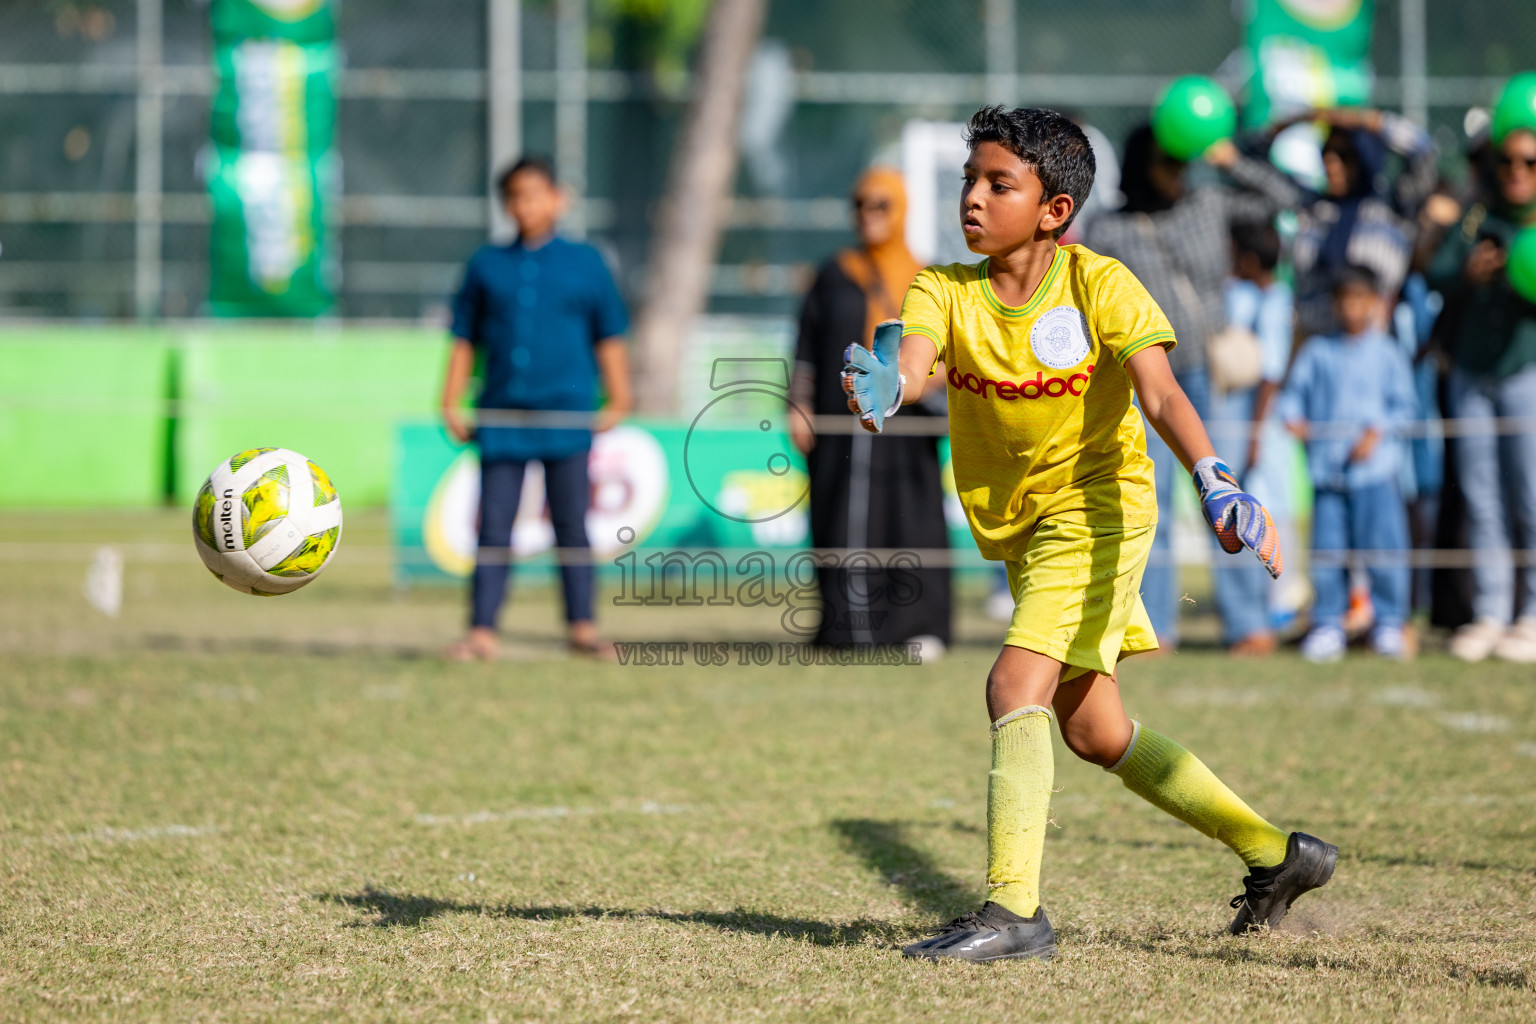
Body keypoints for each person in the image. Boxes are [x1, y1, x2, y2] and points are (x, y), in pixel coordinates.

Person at [841, 106, 1334, 963]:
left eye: (1000, 184)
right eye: (970, 180)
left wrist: (1215, 478)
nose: (973, 198)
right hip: (1024, 531)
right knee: (1094, 731)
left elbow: (1164, 396)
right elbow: (914, 362)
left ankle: (1014, 914)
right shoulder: (941, 288)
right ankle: (1276, 854)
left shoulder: (1101, 285)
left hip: (1102, 509)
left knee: (1012, 686)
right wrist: (890, 381)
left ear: (1054, 210)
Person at [1087, 124, 1304, 649]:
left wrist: (1229, 160)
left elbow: (1285, 199)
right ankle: (1156, 627)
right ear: (1143, 163)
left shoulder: (1208, 203)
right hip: (1140, 378)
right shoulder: (1108, 228)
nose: (1180, 173)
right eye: (1170, 161)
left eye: (1185, 162)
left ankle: (1248, 623)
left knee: (1227, 492)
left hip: (1209, 372)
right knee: (1149, 503)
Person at [440, 156, 632, 661]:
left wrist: (619, 395)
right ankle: (482, 630)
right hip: (502, 416)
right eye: (515, 196)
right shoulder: (486, 265)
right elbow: (463, 338)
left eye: (534, 194)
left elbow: (609, 333)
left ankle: (582, 627)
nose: (525, 205)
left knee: (571, 523)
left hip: (566, 414)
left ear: (558, 198)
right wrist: (450, 398)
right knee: (494, 525)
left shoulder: (587, 263)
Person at [789, 168, 952, 653]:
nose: (868, 214)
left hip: (907, 425)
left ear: (901, 209)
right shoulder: (834, 274)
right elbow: (805, 346)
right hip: (839, 425)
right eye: (860, 204)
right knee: (837, 521)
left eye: (881, 204)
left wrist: (922, 384)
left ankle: (918, 629)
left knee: (910, 519)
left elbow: (948, 349)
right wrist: (798, 404)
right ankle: (845, 630)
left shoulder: (928, 279)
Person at [1426, 120, 1536, 663]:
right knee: (1482, 499)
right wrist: (1470, 271)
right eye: (1507, 161)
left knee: (1532, 498)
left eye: (1530, 163)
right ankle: (1492, 613)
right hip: (1471, 376)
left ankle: (1533, 616)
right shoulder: (1477, 213)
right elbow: (1437, 271)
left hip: (1526, 374)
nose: (1517, 172)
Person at [1280, 266, 1416, 663]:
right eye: (1346, 299)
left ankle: (1390, 622)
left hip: (1376, 475)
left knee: (1385, 551)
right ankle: (1327, 624)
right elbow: (1293, 398)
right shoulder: (1318, 351)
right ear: (1336, 304)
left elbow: (1405, 407)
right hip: (1328, 474)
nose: (1353, 308)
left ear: (1375, 302)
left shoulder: (1388, 352)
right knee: (1328, 552)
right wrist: (1293, 419)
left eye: (1361, 299)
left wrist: (1377, 432)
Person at [1290, 108, 1438, 342]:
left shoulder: (1392, 207)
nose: (1332, 163)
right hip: (1314, 346)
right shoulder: (1313, 207)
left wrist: (1370, 121)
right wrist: (1296, 119)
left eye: (1343, 155)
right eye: (1326, 153)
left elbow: (1424, 152)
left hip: (1373, 348)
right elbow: (1251, 160)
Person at [1217, 221, 1295, 654]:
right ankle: (1247, 620)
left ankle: (1257, 621)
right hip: (1243, 420)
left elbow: (1271, 372)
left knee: (1246, 520)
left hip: (1257, 427)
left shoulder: (1275, 300)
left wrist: (1255, 434)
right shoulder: (1241, 293)